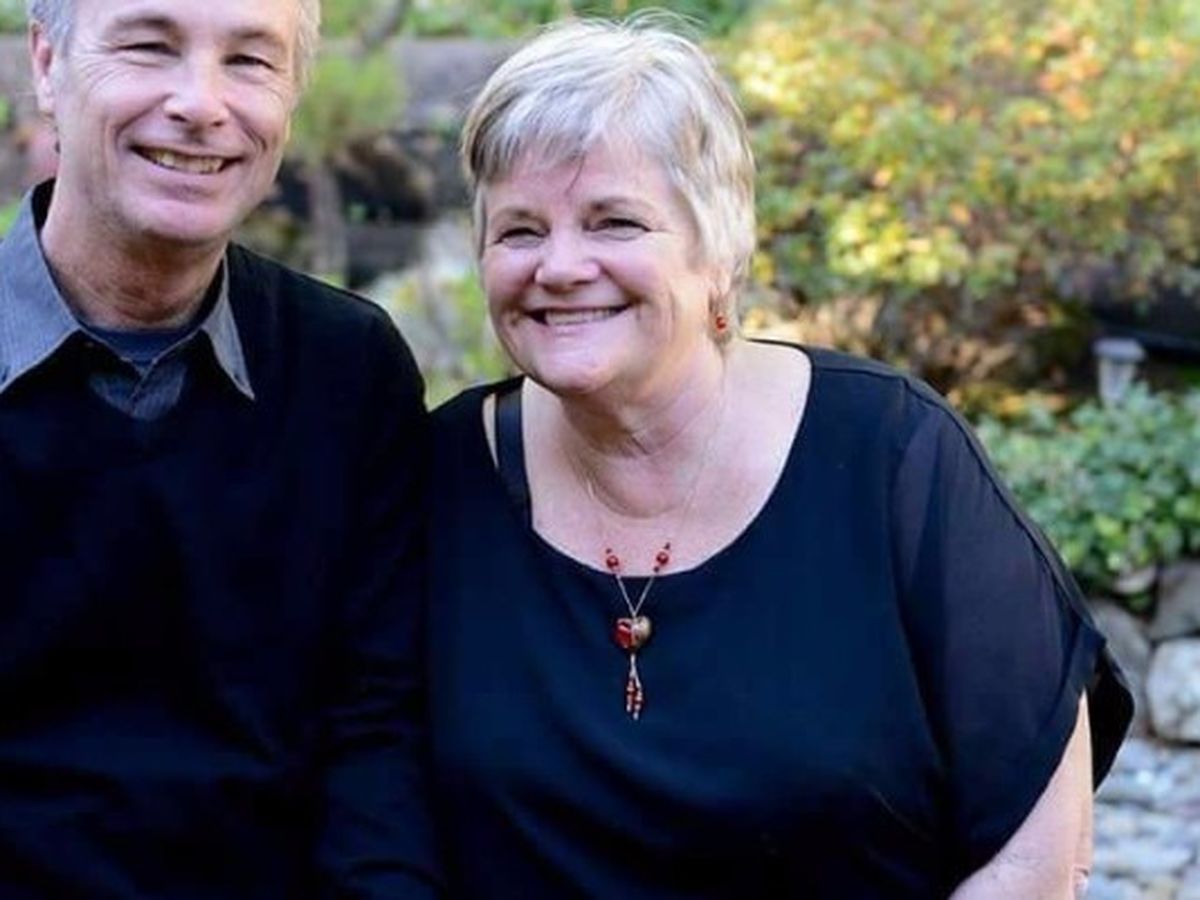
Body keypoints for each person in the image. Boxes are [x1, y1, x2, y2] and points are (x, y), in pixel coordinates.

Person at [427, 16, 1133, 898]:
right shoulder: (439, 477)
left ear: (718, 251)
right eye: (520, 231)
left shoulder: (892, 454)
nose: (561, 266)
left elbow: (1036, 855)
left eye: (615, 222)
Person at [0, 0, 439, 896]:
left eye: (250, 61)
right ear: (47, 63)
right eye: (149, 46)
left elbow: (374, 739)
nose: (201, 103)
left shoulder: (348, 369)